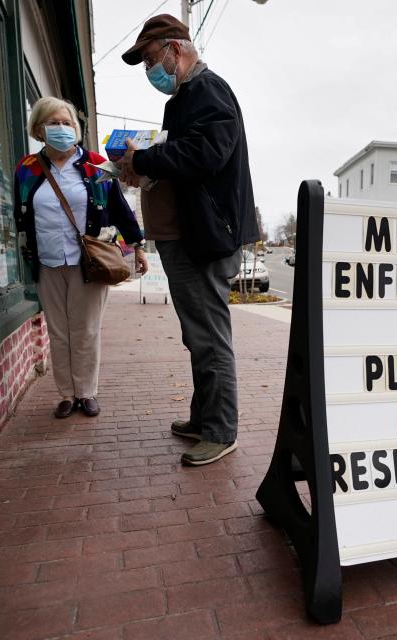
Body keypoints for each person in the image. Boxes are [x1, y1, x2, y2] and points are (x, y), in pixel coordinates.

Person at [118, 15, 259, 466]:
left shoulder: (206, 89)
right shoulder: (187, 96)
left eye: (150, 60)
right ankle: (204, 419)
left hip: (204, 236)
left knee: (209, 337)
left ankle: (220, 430)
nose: (149, 72)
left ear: (175, 49)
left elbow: (207, 153)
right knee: (198, 335)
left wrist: (145, 160)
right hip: (191, 234)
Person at [14, 96, 147, 419]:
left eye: (67, 123)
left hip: (88, 262)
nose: (61, 128)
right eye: (53, 123)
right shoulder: (27, 169)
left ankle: (87, 392)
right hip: (47, 263)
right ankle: (66, 395)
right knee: (58, 332)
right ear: (39, 129)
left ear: (76, 128)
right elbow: (19, 216)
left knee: (85, 330)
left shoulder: (96, 164)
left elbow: (119, 206)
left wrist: (138, 245)